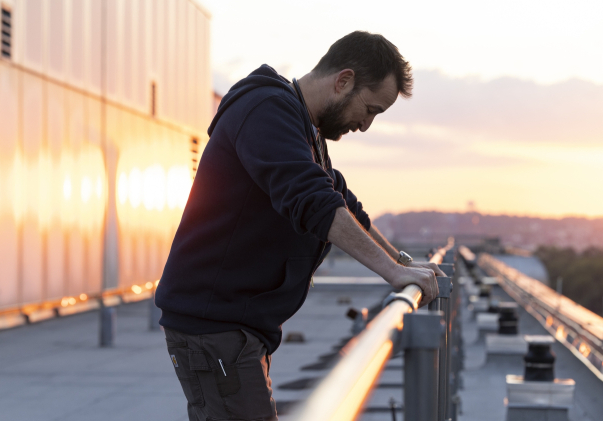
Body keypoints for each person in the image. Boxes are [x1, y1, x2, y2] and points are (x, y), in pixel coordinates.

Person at [155, 31, 442, 421]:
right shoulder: (266, 110)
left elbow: (344, 205)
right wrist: (393, 271)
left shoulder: (303, 131)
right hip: (214, 327)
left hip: (234, 328)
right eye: (371, 109)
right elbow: (315, 203)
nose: (365, 125)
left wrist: (404, 263)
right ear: (343, 81)